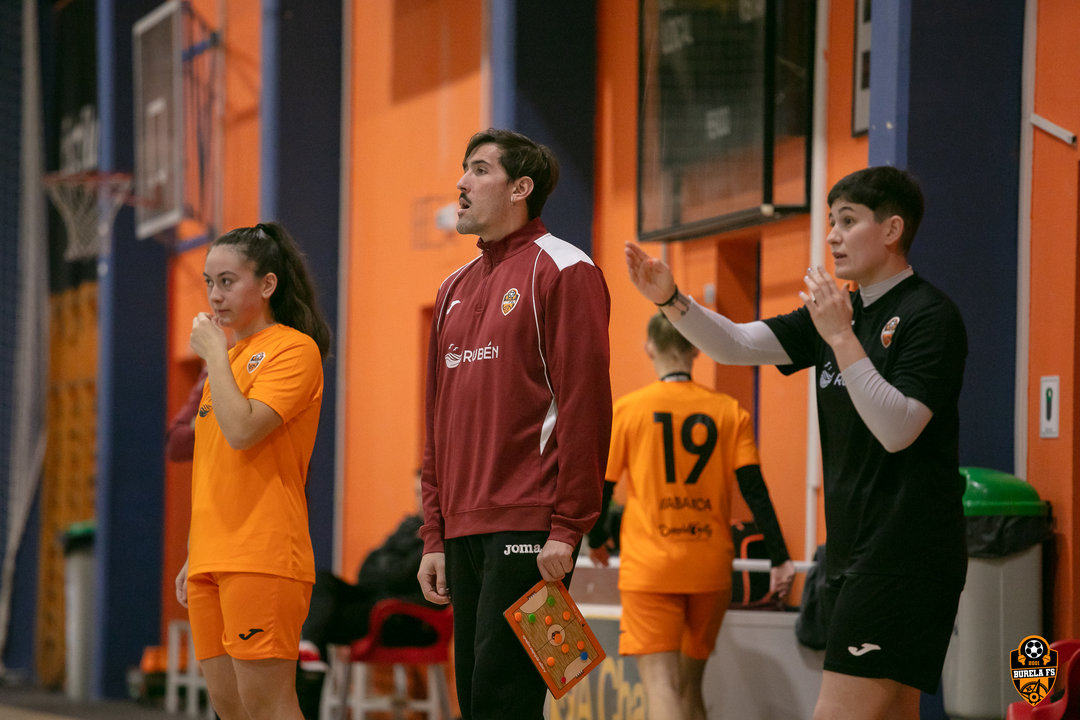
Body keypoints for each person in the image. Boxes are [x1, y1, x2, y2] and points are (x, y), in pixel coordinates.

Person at [625, 166, 967, 720]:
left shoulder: (930, 316)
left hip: (903, 556)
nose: (831, 234)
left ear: (891, 230)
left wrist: (839, 337)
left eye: (848, 220)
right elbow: (736, 344)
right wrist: (671, 299)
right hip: (853, 554)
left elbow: (898, 428)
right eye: (830, 220)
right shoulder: (838, 313)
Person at [417, 128, 612, 720]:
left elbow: (586, 407)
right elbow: (436, 421)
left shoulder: (565, 268)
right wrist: (433, 533)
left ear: (521, 187)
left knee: (506, 704)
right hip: (462, 531)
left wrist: (568, 526)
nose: (461, 183)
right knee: (477, 700)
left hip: (530, 527)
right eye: (464, 168)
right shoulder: (452, 288)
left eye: (479, 170)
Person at [589, 312, 795, 720]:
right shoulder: (728, 411)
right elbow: (755, 490)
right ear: (696, 348)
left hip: (652, 567)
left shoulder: (629, 411)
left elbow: (603, 490)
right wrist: (779, 557)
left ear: (649, 348)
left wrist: (596, 540)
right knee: (689, 689)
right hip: (710, 567)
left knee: (662, 687)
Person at [174, 222, 331, 720]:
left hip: (262, 554)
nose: (215, 295)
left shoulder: (293, 349)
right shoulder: (226, 361)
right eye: (209, 283)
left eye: (227, 281)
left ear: (266, 285)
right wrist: (194, 552)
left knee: (267, 707)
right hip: (211, 557)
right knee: (229, 708)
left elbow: (243, 431)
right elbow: (217, 466)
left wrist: (215, 355)